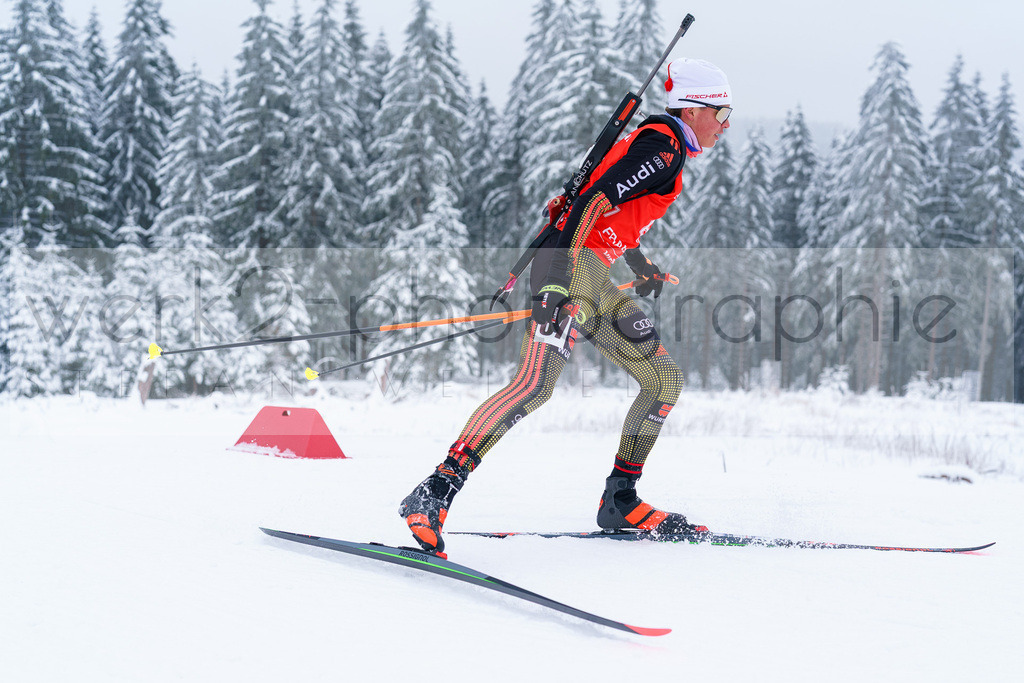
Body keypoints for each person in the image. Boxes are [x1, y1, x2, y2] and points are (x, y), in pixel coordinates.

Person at [399, 58, 733, 554]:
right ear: (696, 108)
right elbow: (591, 202)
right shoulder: (663, 148)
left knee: (663, 380)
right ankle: (435, 491)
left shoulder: (664, 150)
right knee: (534, 386)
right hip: (572, 268)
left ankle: (620, 499)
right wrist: (556, 285)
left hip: (587, 270)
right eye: (722, 114)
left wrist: (641, 267)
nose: (725, 126)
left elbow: (613, 215)